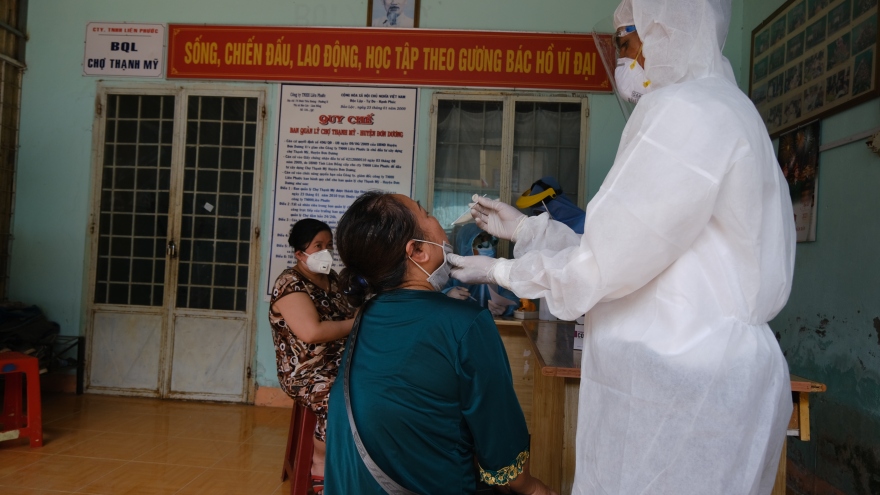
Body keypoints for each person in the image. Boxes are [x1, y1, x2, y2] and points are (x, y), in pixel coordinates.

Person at [449, 0, 796, 494]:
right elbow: (630, 249)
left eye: (627, 42)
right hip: (703, 375)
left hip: (680, 387)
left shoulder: (686, 112)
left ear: (667, 30)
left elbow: (603, 266)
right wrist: (527, 231)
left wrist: (501, 273)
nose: (623, 61)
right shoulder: (730, 109)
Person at [324, 191, 556, 495]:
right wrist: (533, 487)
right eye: (427, 214)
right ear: (418, 251)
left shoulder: (366, 316)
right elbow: (499, 436)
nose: (439, 223)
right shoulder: (465, 323)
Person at [269, 218, 355, 494]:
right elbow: (312, 332)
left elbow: (350, 311)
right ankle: (319, 463)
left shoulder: (333, 280)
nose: (326, 251)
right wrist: (358, 322)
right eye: (318, 246)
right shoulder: (290, 284)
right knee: (336, 398)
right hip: (305, 373)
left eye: (329, 245)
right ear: (299, 253)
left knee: (376, 385)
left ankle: (359, 463)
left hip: (340, 362)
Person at [443, 223, 519, 317]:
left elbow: (513, 296)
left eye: (491, 242)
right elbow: (433, 298)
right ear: (466, 247)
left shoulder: (499, 273)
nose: (489, 247)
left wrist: (506, 306)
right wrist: (447, 294)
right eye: (480, 243)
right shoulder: (452, 274)